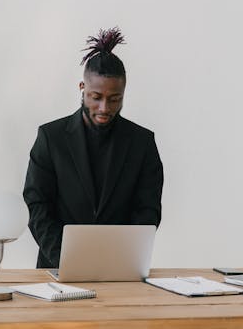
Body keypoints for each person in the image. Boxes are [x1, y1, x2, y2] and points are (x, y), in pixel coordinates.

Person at [24, 27, 163, 268]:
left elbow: (148, 210)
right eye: (96, 97)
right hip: (58, 268)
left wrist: (121, 258)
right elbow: (37, 206)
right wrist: (65, 260)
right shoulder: (50, 137)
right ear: (82, 88)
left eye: (114, 99)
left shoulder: (143, 142)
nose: (104, 108)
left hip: (120, 269)